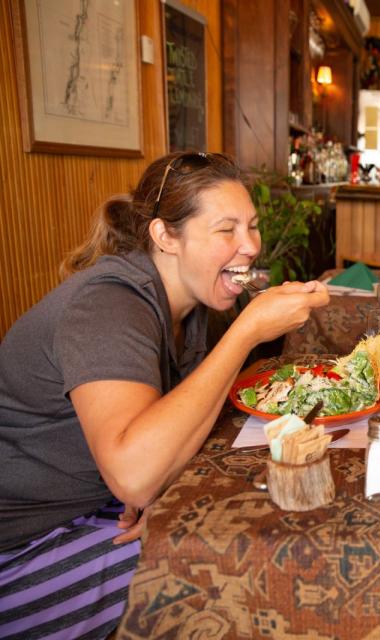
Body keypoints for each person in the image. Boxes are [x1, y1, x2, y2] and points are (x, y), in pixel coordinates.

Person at [0, 152, 329, 638]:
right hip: (22, 547)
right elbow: (134, 476)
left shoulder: (190, 306)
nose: (250, 246)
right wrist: (246, 332)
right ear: (164, 236)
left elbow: (158, 442)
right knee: (221, 561)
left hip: (92, 509)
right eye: (227, 230)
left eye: (252, 227)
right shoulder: (109, 304)